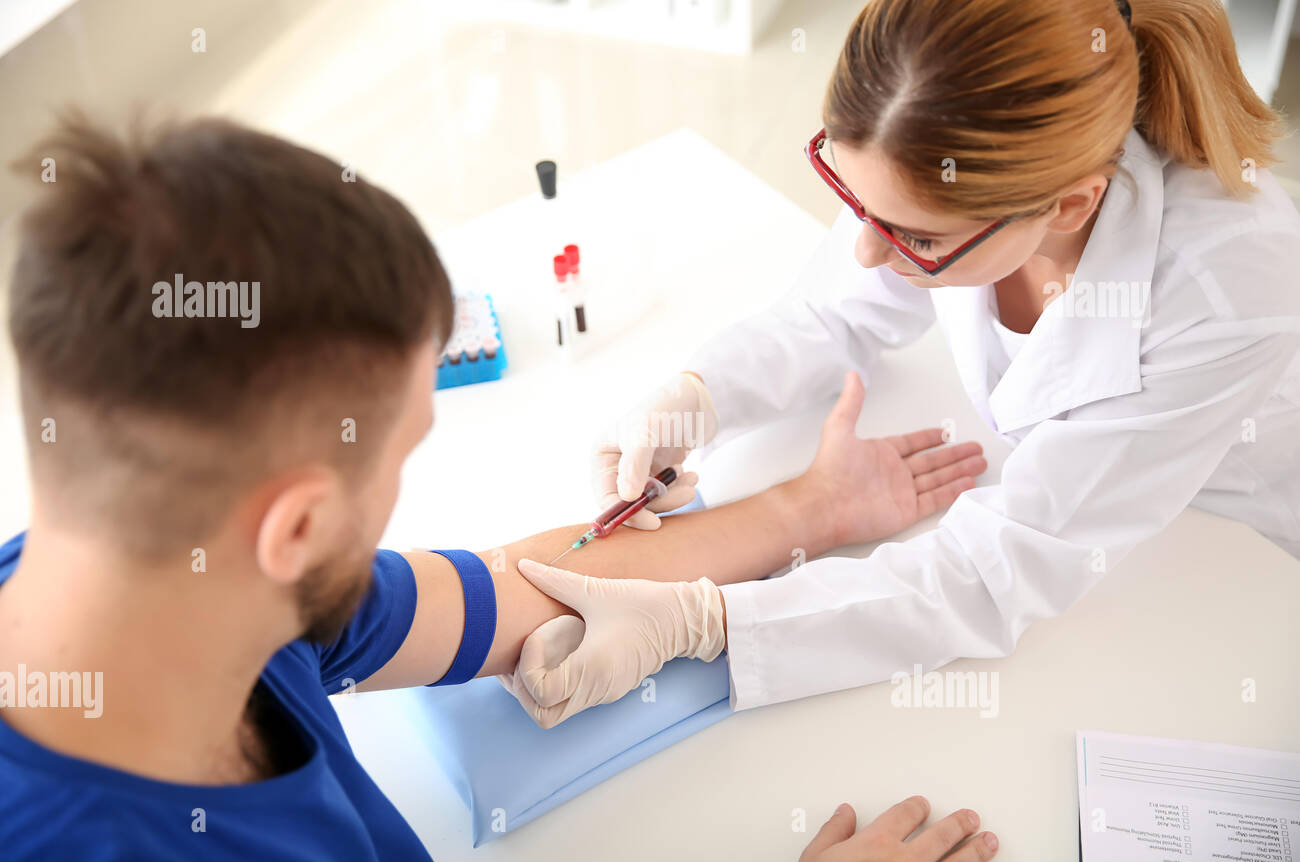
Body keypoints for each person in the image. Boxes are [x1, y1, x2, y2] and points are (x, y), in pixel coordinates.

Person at [0, 113, 993, 862]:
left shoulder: (169, 576)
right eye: (400, 453)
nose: (401, 491)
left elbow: (508, 586)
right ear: (294, 524)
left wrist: (804, 510)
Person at [503, 0, 1300, 720]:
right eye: (855, 199)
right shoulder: (958, 163)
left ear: (1068, 206)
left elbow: (997, 570)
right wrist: (697, 398)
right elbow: (835, 309)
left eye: (915, 238)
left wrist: (709, 622)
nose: (865, 249)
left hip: (1235, 553)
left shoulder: (1226, 290)